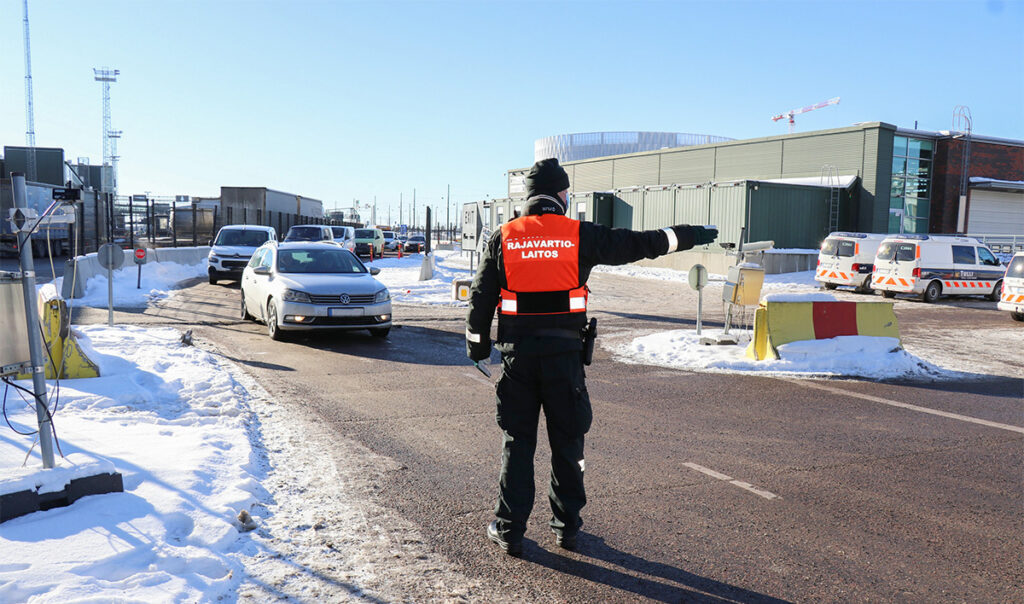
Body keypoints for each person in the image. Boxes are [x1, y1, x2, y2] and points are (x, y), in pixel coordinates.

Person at [466, 157, 717, 556]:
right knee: (568, 442)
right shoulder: (579, 235)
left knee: (518, 443)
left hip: (519, 362)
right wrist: (690, 234)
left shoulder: (504, 237)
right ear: (562, 195)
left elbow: (481, 299)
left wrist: (477, 347)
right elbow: (641, 243)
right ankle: (566, 527)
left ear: (528, 197)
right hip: (564, 361)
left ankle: (510, 528)